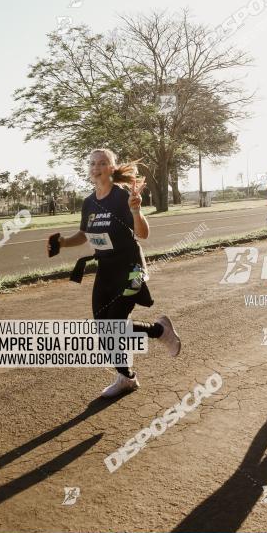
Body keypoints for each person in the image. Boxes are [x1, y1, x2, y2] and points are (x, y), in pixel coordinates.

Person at [49, 148, 181, 398]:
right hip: (106, 269)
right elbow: (85, 234)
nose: (96, 167)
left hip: (131, 269)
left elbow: (143, 234)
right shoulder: (89, 202)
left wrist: (135, 211)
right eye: (92, 163)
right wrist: (63, 242)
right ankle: (129, 375)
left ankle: (156, 335)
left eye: (102, 163)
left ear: (112, 168)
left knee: (114, 325)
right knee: (103, 327)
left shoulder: (123, 197)